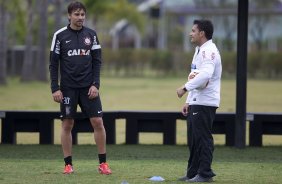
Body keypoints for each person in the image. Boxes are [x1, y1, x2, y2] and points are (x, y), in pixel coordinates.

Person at [49, 1, 111, 175]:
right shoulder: (60, 36)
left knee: (98, 122)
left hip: (88, 88)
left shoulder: (91, 35)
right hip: (68, 89)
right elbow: (53, 64)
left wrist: (95, 84)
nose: (80, 17)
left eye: (82, 14)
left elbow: (97, 61)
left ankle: (103, 164)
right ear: (69, 16)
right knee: (67, 124)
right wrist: (55, 88)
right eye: (76, 14)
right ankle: (68, 164)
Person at [176, 19, 222, 182]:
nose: (190, 33)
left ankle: (205, 174)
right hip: (197, 101)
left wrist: (185, 88)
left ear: (202, 33)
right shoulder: (199, 50)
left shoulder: (208, 51)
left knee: (203, 138)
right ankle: (193, 173)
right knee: (194, 139)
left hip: (205, 102)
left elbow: (205, 75)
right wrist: (189, 100)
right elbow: (196, 74)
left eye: (193, 30)